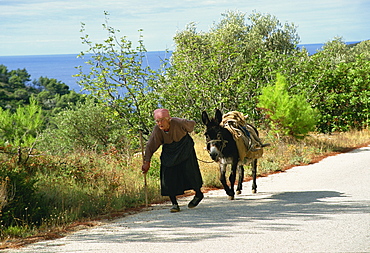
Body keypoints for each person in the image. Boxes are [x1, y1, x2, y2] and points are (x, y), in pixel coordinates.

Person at [141, 109, 204, 212]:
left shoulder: (177, 122)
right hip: (169, 151)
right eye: (157, 121)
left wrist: (185, 125)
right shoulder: (157, 130)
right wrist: (147, 162)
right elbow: (150, 145)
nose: (159, 123)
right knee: (168, 176)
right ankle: (174, 204)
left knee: (190, 172)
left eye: (162, 120)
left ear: (168, 119)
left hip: (185, 148)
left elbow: (192, 124)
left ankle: (198, 194)